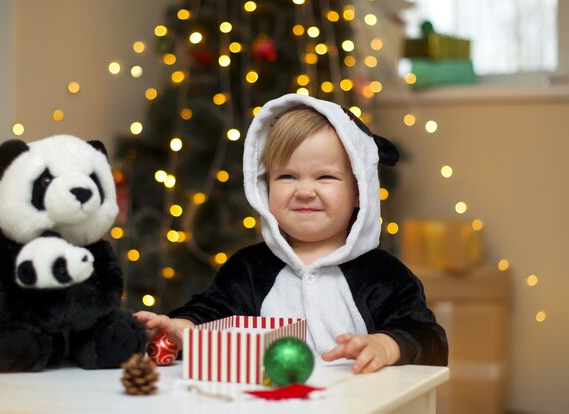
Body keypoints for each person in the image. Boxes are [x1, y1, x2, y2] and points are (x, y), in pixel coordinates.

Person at [135, 93, 448, 374]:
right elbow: (213, 312)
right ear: (265, 186)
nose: (304, 191)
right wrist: (184, 326)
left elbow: (429, 339)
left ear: (359, 193)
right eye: (287, 176)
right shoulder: (249, 269)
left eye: (325, 177)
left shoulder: (383, 275)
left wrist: (386, 345)